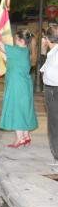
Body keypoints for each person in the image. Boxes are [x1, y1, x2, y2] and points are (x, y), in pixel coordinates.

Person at [0, 29, 38, 147]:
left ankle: (19, 138)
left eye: (16, 39)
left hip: (16, 85)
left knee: (16, 109)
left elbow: (0, 44)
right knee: (24, 109)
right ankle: (25, 136)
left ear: (20, 40)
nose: (14, 42)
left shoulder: (17, 50)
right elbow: (8, 58)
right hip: (23, 84)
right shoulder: (25, 51)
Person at [41, 24, 58, 165]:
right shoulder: (52, 52)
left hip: (53, 91)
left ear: (47, 39)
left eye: (45, 38)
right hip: (51, 90)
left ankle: (57, 157)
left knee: (54, 125)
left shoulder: (55, 53)